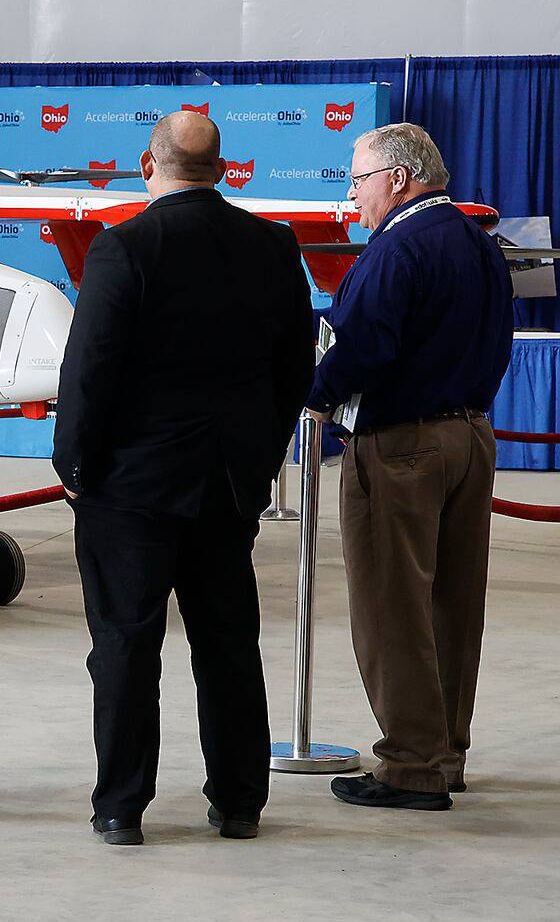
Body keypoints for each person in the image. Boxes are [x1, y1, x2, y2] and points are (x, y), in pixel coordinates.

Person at [52, 111, 313, 845]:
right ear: (224, 169)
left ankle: (121, 807)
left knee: (126, 646)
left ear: (148, 165)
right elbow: (295, 369)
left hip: (130, 488)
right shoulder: (272, 245)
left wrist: (74, 466)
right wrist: (259, 456)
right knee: (229, 643)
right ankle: (238, 802)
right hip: (229, 484)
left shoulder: (124, 246)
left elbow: (89, 371)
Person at [308, 123, 513, 811]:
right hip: (472, 437)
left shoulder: (395, 250)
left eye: (358, 179)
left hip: (400, 447)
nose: (352, 195)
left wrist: (308, 394)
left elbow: (361, 347)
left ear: (397, 179)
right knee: (454, 605)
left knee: (392, 606)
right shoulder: (478, 243)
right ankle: (445, 752)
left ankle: (410, 766)